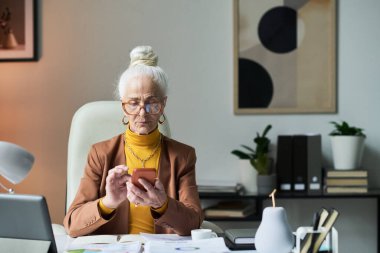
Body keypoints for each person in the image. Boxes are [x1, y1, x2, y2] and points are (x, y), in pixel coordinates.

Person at [63, 46, 203, 237]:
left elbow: (194, 223)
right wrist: (108, 202)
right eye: (134, 103)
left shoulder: (183, 156)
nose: (142, 112)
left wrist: (162, 204)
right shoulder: (100, 153)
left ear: (163, 105)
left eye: (151, 103)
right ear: (123, 106)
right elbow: (72, 224)